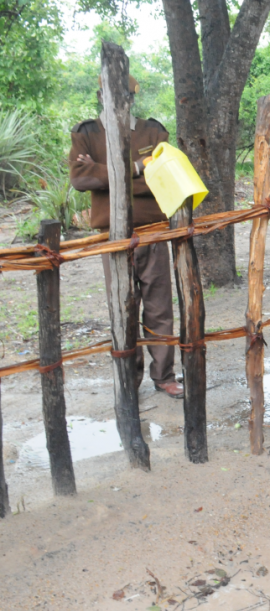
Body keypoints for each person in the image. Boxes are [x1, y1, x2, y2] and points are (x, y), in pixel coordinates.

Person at [68, 75, 184, 399]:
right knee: (123, 306)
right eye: (110, 93)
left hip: (153, 231)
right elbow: (79, 179)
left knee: (159, 306)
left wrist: (102, 172)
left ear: (132, 97)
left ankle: (164, 376)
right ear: (99, 95)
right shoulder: (87, 133)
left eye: (124, 95)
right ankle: (128, 382)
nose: (119, 100)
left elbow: (163, 178)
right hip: (112, 236)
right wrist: (136, 168)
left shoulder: (153, 131)